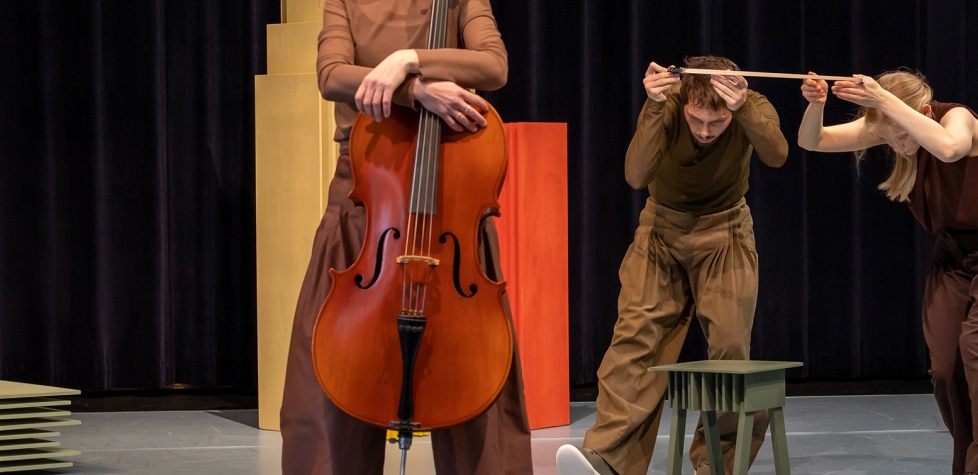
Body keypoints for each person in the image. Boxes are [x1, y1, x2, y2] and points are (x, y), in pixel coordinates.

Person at [279, 0, 532, 473]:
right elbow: (331, 75)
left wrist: (408, 59)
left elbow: (493, 66)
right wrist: (415, 90)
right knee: (331, 368)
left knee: (474, 369)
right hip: (366, 204)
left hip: (450, 199)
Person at [796, 69, 978, 475]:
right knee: (945, 369)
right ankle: (969, 464)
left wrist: (883, 100)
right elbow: (813, 141)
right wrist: (816, 105)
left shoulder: (957, 118)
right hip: (955, 256)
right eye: (888, 137)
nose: (897, 145)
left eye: (900, 135)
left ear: (924, 112)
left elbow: (949, 148)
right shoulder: (890, 125)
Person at [556, 55, 788, 475]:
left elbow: (777, 155)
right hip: (661, 231)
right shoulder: (668, 103)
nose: (705, 130)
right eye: (697, 119)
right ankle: (609, 459)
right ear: (686, 102)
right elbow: (635, 175)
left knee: (730, 351)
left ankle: (715, 464)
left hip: (726, 232)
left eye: (716, 122)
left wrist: (743, 111)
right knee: (634, 338)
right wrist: (653, 105)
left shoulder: (750, 103)